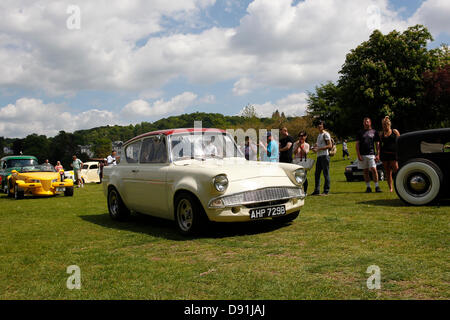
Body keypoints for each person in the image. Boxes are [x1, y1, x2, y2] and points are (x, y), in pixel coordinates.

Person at [356, 117, 381, 193]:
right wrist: (358, 155)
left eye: (367, 122)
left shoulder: (374, 132)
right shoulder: (360, 132)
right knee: (365, 171)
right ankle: (368, 187)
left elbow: (377, 144)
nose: (365, 123)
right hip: (363, 155)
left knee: (374, 169)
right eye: (364, 122)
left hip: (371, 154)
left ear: (370, 122)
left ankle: (377, 186)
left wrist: (378, 154)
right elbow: (357, 145)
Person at [379, 116, 400, 192]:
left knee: (396, 170)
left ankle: (399, 185)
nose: (384, 126)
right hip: (385, 155)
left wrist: (399, 153)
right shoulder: (381, 134)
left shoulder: (395, 131)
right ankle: (390, 188)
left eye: (385, 125)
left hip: (393, 154)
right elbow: (379, 146)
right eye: (383, 125)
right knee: (387, 172)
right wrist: (379, 155)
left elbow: (399, 142)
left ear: (389, 124)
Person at [311, 121, 332, 195]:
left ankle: (326, 191)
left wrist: (318, 149)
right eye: (318, 125)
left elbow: (330, 145)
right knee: (317, 174)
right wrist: (314, 148)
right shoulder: (319, 135)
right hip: (319, 156)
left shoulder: (326, 134)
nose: (319, 126)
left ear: (323, 126)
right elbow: (319, 145)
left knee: (326, 173)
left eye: (321, 124)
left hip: (325, 156)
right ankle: (317, 190)